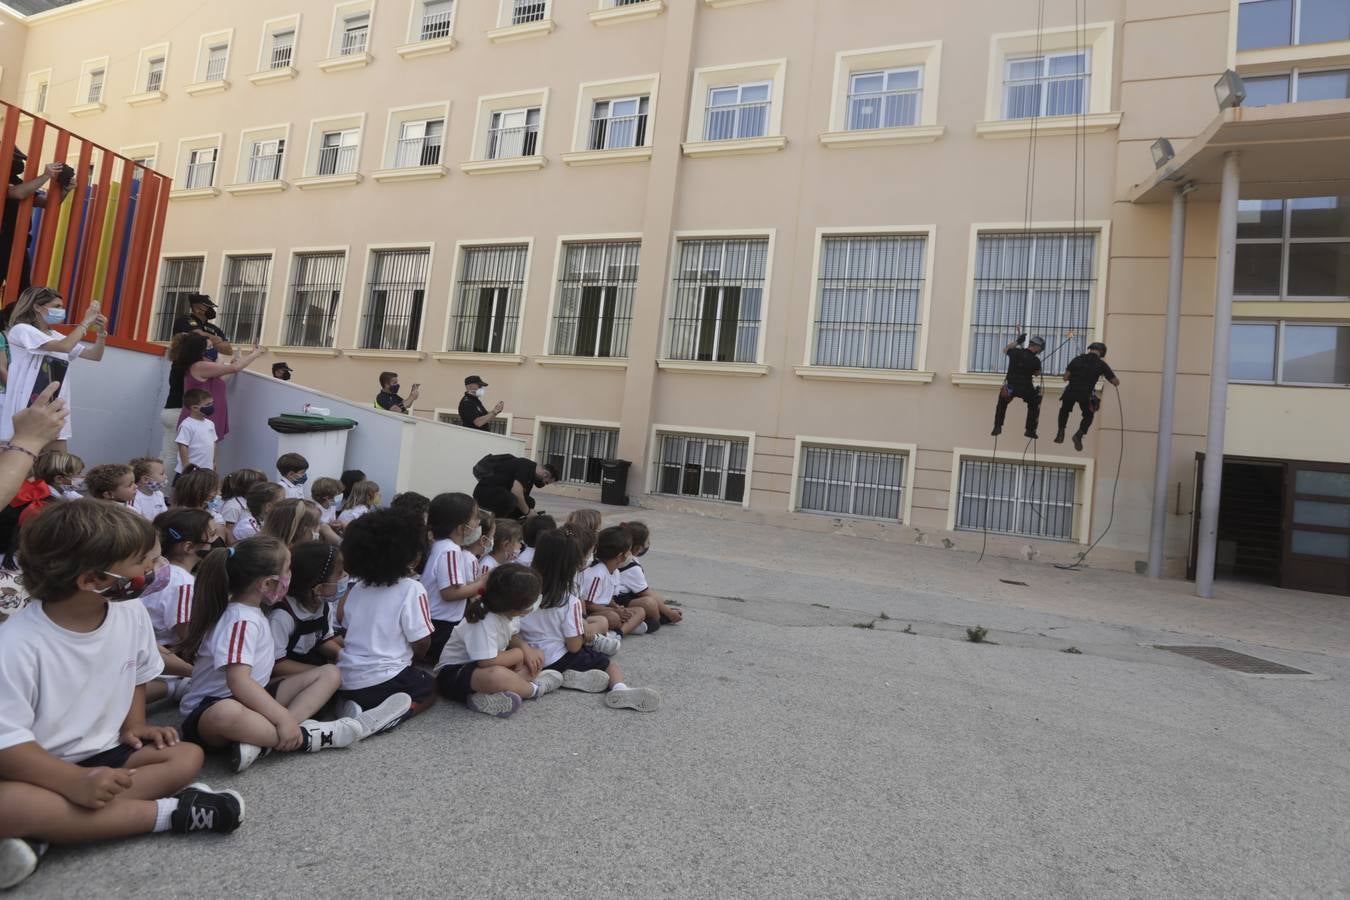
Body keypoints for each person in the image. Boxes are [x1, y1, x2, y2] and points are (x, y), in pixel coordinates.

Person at [0, 501, 244, 890]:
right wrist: (72, 782)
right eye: (143, 563)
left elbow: (137, 673)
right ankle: (170, 814)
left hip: (109, 754)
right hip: (37, 771)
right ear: (92, 579)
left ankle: (47, 831)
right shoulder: (16, 645)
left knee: (186, 755)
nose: (154, 570)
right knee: (8, 805)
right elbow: (8, 746)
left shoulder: (129, 612)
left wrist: (136, 725)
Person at [175, 537, 408, 774]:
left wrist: (283, 717)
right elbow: (238, 681)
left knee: (330, 673)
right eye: (287, 570)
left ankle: (266, 740)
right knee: (225, 714)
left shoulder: (252, 611)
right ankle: (308, 736)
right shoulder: (240, 620)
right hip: (210, 710)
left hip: (253, 698)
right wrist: (282, 718)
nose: (291, 577)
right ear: (267, 584)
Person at [520, 531, 660, 711]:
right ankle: (619, 688)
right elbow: (573, 646)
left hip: (527, 657)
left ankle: (566, 676)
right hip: (558, 656)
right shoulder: (569, 601)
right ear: (570, 566)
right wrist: (585, 637)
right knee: (609, 664)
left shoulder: (524, 591)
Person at [333, 509, 437, 727]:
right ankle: (393, 717)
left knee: (369, 689)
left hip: (347, 679)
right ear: (409, 556)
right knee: (429, 687)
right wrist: (415, 660)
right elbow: (422, 640)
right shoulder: (412, 588)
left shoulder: (357, 589)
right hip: (387, 680)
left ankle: (349, 705)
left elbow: (346, 625)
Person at [432, 564, 563, 719]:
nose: (537, 601)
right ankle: (534, 689)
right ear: (515, 607)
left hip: (486, 665)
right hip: (454, 674)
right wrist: (519, 654)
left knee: (537, 656)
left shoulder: (509, 614)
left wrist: (524, 648)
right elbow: (486, 662)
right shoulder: (483, 621)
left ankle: (487, 696)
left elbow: (512, 636)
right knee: (496, 675)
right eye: (533, 600)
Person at [0, 287, 106, 452]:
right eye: (56, 306)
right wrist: (85, 322)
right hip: (28, 405)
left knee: (57, 467)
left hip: (55, 405)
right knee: (27, 463)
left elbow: (94, 355)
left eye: (61, 306)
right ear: (37, 307)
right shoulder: (22, 330)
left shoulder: (54, 334)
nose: (61, 310)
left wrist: (101, 333)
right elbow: (64, 347)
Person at [419, 493, 488, 664]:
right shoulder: (450, 551)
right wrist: (484, 584)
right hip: (442, 625)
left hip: (438, 622)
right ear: (461, 527)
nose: (478, 523)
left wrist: (478, 583)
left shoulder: (442, 546)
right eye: (475, 517)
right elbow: (450, 593)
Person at [268, 542, 344, 675]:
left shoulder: (323, 605)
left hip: (311, 668)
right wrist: (320, 672)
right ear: (319, 588)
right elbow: (277, 665)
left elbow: (322, 641)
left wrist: (343, 656)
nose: (344, 577)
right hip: (287, 675)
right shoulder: (282, 616)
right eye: (339, 574)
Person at [174, 334, 263, 445]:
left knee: (209, 455)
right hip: (200, 418)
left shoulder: (204, 368)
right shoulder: (199, 366)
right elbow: (235, 368)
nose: (214, 350)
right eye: (209, 347)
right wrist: (255, 354)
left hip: (208, 418)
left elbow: (222, 378)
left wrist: (233, 363)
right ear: (200, 351)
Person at [141, 508, 211, 647]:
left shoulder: (157, 569)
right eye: (211, 536)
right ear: (189, 547)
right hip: (162, 655)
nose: (215, 543)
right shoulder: (183, 584)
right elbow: (187, 635)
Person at [1, 150, 66, 295]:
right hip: (3, 240)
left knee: (21, 290)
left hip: (17, 243)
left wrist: (65, 190)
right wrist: (45, 176)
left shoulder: (17, 182)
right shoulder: (6, 180)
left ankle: (13, 317)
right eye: (15, 158)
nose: (20, 163)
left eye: (20, 159)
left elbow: (46, 203)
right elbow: (17, 193)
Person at [580, 526, 647, 638]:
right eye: (629, 551)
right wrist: (613, 610)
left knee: (640, 611)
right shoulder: (597, 573)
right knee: (613, 617)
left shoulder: (614, 572)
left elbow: (609, 598)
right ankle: (621, 629)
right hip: (592, 614)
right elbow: (588, 605)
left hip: (606, 609)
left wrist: (617, 607)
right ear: (621, 556)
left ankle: (617, 633)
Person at [613, 521, 682, 627]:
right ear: (638, 548)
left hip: (622, 595)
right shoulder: (632, 568)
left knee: (655, 596)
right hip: (619, 600)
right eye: (647, 542)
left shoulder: (621, 556)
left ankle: (661, 613)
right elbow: (646, 593)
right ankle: (658, 620)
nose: (648, 544)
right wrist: (669, 613)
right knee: (649, 603)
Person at [1056, 342, 1120, 452]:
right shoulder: (1101, 364)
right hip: (1085, 395)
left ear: (1090, 349)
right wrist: (1113, 379)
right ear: (1101, 352)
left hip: (1070, 392)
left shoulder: (1077, 359)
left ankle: (1060, 432)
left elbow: (1065, 378)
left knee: (1064, 410)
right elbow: (1115, 381)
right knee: (1088, 415)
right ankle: (1079, 434)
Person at [991, 328, 1044, 440]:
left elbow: (1005, 349)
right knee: (1034, 403)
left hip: (1011, 386)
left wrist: (1018, 341)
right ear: (1037, 347)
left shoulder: (1015, 352)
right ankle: (1030, 430)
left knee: (1002, 402)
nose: (1040, 351)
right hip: (1026, 388)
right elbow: (1037, 374)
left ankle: (997, 426)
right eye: (1040, 348)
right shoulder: (1036, 360)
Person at [471, 453, 558, 521]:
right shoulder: (526, 466)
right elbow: (516, 492)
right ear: (546, 474)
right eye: (546, 482)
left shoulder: (531, 478)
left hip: (499, 496)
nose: (543, 485)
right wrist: (528, 513)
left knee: (530, 502)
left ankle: (508, 523)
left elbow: (522, 500)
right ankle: (497, 526)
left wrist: (530, 511)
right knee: (512, 499)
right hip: (483, 493)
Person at [175, 388, 218, 478]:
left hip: (206, 470)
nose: (211, 406)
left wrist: (213, 462)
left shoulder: (210, 424)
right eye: (208, 404)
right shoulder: (187, 425)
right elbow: (183, 446)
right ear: (194, 408)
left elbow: (213, 443)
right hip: (190, 471)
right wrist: (186, 467)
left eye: (212, 403)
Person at [219, 468, 267, 541]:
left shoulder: (253, 502)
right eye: (260, 486)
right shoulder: (233, 506)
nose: (264, 489)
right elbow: (228, 532)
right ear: (246, 487)